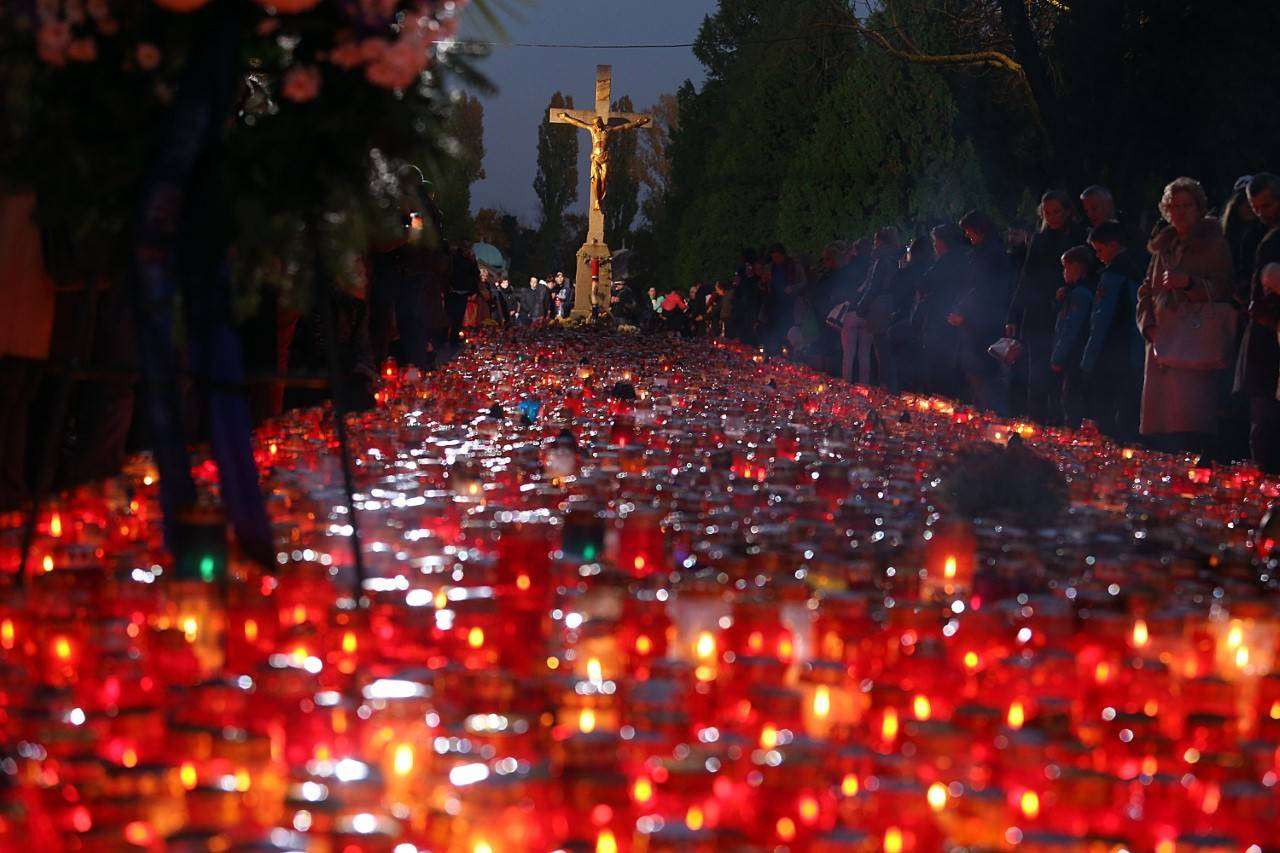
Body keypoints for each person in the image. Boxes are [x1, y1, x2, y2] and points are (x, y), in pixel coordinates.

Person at [1136, 177, 1235, 454]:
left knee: (1190, 419)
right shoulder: (1163, 247)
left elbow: (1225, 288)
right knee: (1161, 426)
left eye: (1187, 205)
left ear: (1199, 207)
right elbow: (1145, 290)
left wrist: (1189, 284)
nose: (1180, 211)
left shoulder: (1213, 244)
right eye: (1174, 205)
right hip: (1161, 340)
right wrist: (1148, 326)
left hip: (1193, 340)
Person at [1009, 190, 1087, 424]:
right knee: (1038, 379)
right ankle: (1038, 430)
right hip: (1039, 315)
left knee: (1065, 382)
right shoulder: (1040, 240)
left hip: (1067, 314)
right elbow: (1026, 278)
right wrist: (1013, 314)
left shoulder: (1080, 237)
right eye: (1047, 213)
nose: (1052, 217)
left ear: (1068, 211)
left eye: (1057, 212)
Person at [1082, 220, 1145, 443]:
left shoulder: (1114, 277)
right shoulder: (1138, 269)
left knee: (1109, 411)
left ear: (1112, 245)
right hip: (1131, 352)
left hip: (1112, 352)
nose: (1098, 256)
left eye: (1099, 250)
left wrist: (1089, 358)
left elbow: (1101, 319)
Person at [1235, 173, 1280, 473]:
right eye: (1257, 207)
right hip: (1263, 340)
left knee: (1266, 425)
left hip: (1271, 337)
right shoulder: (1259, 236)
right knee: (1263, 420)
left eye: (1268, 204)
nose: (1263, 212)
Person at [951, 210, 1011, 414]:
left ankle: (988, 415)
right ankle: (982, 411)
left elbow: (981, 288)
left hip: (982, 321)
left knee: (982, 371)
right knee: (976, 371)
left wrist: (963, 311)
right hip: (979, 319)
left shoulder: (989, 254)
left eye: (969, 231)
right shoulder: (985, 251)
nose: (968, 236)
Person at [843, 228, 904, 388]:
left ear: (881, 242)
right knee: (880, 349)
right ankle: (887, 385)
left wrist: (861, 306)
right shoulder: (895, 259)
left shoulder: (881, 260)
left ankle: (886, 388)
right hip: (889, 304)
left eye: (876, 241)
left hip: (877, 305)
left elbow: (873, 285)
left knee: (881, 348)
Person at [916, 224, 969, 398]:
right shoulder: (965, 258)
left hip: (940, 319)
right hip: (954, 318)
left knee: (937, 368)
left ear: (942, 242)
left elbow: (925, 283)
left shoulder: (945, 261)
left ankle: (939, 404)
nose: (934, 246)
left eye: (935, 241)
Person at [1050, 246, 1097, 428]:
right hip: (1075, 354)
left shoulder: (1080, 294)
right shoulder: (1075, 292)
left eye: (1066, 267)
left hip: (1073, 354)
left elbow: (1070, 328)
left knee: (1070, 398)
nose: (1064, 272)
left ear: (1078, 267)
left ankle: (1072, 434)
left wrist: (1058, 357)